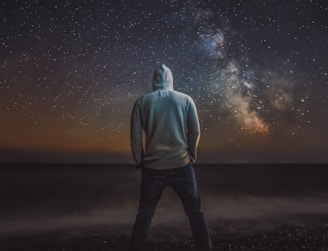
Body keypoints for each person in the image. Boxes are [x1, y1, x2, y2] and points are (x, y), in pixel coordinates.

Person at [129, 64, 212, 251]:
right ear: (172, 79)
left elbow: (135, 136)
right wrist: (192, 153)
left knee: (144, 215)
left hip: (153, 168)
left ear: (154, 80)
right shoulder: (186, 100)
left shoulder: (142, 102)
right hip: (182, 164)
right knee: (195, 213)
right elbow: (195, 131)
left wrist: (138, 159)